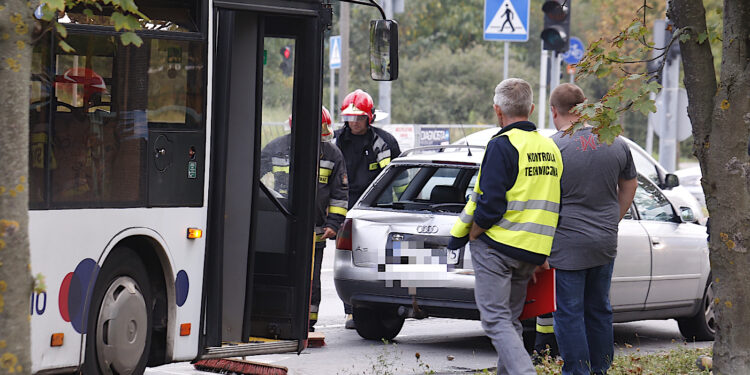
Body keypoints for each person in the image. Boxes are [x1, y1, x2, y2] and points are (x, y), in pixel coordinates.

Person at [448, 78, 563, 375]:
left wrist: (474, 232)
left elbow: (489, 203)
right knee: (510, 321)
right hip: (532, 252)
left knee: (495, 321)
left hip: (498, 247)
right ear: (532, 108)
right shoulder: (550, 147)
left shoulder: (502, 145)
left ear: (498, 111)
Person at [547, 83, 638, 375]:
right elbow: (630, 184)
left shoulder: (554, 147)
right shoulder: (615, 142)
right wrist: (613, 220)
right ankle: (600, 369)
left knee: (569, 313)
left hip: (566, 245)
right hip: (604, 242)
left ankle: (577, 371)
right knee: (599, 309)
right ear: (585, 107)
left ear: (553, 111)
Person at [260, 107, 349, 332]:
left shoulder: (332, 154)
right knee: (280, 271)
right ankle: (278, 314)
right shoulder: (276, 147)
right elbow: (254, 176)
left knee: (311, 277)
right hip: (282, 224)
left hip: (316, 230)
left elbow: (339, 194)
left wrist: (333, 225)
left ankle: (307, 321)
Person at [334, 89, 401, 329]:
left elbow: (396, 181)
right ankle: (351, 311)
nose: (354, 123)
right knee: (348, 260)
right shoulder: (336, 140)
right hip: (343, 206)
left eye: (359, 118)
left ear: (369, 117)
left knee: (375, 259)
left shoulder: (383, 142)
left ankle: (379, 308)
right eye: (350, 118)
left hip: (375, 209)